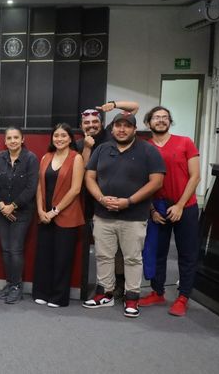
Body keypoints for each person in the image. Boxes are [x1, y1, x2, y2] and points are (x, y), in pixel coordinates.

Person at [83, 112, 165, 318]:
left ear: (134, 130)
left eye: (127, 126)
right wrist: (101, 199)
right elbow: (90, 177)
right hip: (103, 214)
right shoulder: (102, 149)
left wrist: (128, 201)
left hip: (134, 216)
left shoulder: (148, 151)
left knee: (132, 259)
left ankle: (132, 298)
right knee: (103, 256)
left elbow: (156, 182)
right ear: (112, 129)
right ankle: (105, 294)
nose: (122, 129)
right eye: (118, 126)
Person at [139, 106, 201, 317]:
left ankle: (183, 297)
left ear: (169, 122)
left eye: (165, 117)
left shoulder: (185, 142)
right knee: (157, 252)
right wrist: (151, 210)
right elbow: (142, 182)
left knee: (187, 253)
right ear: (148, 123)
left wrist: (181, 205)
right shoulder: (144, 147)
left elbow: (195, 177)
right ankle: (157, 291)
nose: (161, 120)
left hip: (186, 206)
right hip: (158, 207)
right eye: (156, 117)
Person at [76, 100, 139, 299]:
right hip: (89, 201)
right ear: (81, 126)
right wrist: (86, 147)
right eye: (87, 123)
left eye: (95, 122)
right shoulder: (78, 143)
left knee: (121, 249)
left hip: (117, 203)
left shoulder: (111, 135)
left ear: (102, 124)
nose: (91, 126)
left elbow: (133, 109)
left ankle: (121, 285)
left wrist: (113, 104)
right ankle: (100, 286)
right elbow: (83, 172)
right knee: (99, 249)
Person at [32, 124, 85, 308]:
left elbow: (76, 189)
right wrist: (40, 210)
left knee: (62, 257)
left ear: (70, 138)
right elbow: (39, 186)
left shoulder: (76, 158)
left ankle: (58, 297)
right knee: (44, 256)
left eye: (63, 135)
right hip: (44, 215)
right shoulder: (46, 157)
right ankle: (41, 292)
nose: (59, 139)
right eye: (56, 135)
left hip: (66, 215)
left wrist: (54, 211)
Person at [0, 127, 38, 304]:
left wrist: (13, 206)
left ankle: (17, 286)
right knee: (6, 249)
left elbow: (31, 188)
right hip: (1, 211)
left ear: (22, 139)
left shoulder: (30, 159)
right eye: (9, 138)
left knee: (16, 250)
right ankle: (9, 283)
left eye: (16, 137)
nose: (13, 141)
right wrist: (2, 205)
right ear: (5, 141)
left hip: (22, 212)